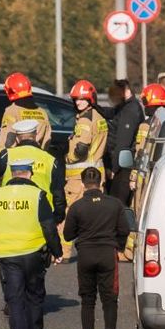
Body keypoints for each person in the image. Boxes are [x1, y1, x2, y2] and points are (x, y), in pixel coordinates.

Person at [0, 159, 63, 329]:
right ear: (29, 173)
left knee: (15, 301)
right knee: (34, 298)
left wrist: (4, 233)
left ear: (11, 174)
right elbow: (48, 226)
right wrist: (57, 251)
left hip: (8, 256)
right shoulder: (37, 195)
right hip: (34, 254)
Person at [63, 167, 131, 329]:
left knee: (88, 300)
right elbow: (124, 229)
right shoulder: (115, 204)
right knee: (110, 298)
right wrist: (117, 246)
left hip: (86, 255)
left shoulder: (77, 207)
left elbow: (68, 234)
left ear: (83, 183)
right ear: (101, 182)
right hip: (107, 254)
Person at [0, 119, 66, 223]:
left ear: (17, 139)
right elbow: (58, 193)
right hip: (41, 214)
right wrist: (57, 217)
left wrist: (7, 146)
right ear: (36, 135)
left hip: (12, 211)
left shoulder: (8, 155)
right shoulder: (50, 160)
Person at [63, 80, 109, 259]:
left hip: (80, 178)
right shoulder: (99, 117)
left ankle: (64, 252)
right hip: (97, 174)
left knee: (70, 214)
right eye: (76, 99)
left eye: (82, 99)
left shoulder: (85, 119)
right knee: (95, 216)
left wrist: (69, 158)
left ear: (90, 99)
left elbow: (81, 147)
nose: (78, 103)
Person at [95, 79, 143, 206]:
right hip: (120, 164)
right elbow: (111, 113)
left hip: (122, 169)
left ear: (126, 91)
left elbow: (123, 143)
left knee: (117, 205)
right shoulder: (124, 106)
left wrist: (114, 168)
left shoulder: (130, 110)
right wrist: (95, 106)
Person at [0, 72, 52, 153]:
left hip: (17, 160)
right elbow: (47, 140)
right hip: (38, 158)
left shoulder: (12, 111)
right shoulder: (42, 113)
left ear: (10, 91)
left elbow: (7, 141)